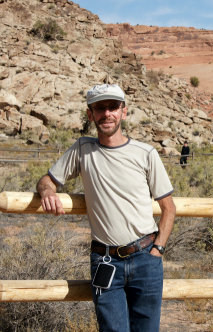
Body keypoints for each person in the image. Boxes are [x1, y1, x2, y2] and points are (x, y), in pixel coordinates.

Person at [36, 84, 176, 332]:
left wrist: (158, 251)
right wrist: (47, 191)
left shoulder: (146, 153)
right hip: (104, 260)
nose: (107, 113)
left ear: (124, 111)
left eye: (113, 107)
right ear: (90, 114)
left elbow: (168, 207)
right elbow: (47, 180)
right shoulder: (82, 149)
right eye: (100, 108)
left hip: (146, 258)